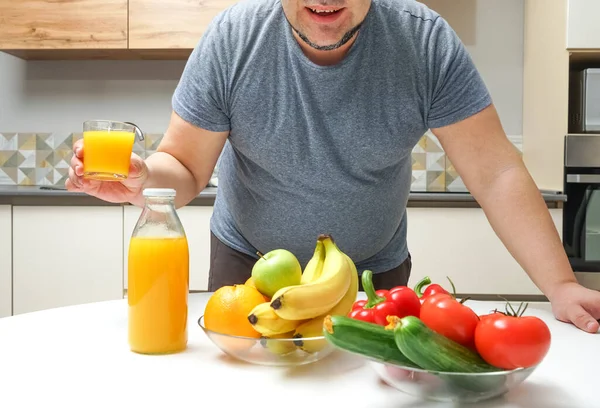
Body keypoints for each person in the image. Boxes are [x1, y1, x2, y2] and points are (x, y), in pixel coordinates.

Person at [66, 0, 600, 333]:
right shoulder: (232, 39)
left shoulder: (425, 42)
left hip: (373, 274)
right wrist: (143, 183)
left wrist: (559, 284)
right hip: (245, 270)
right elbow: (183, 167)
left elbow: (496, 173)